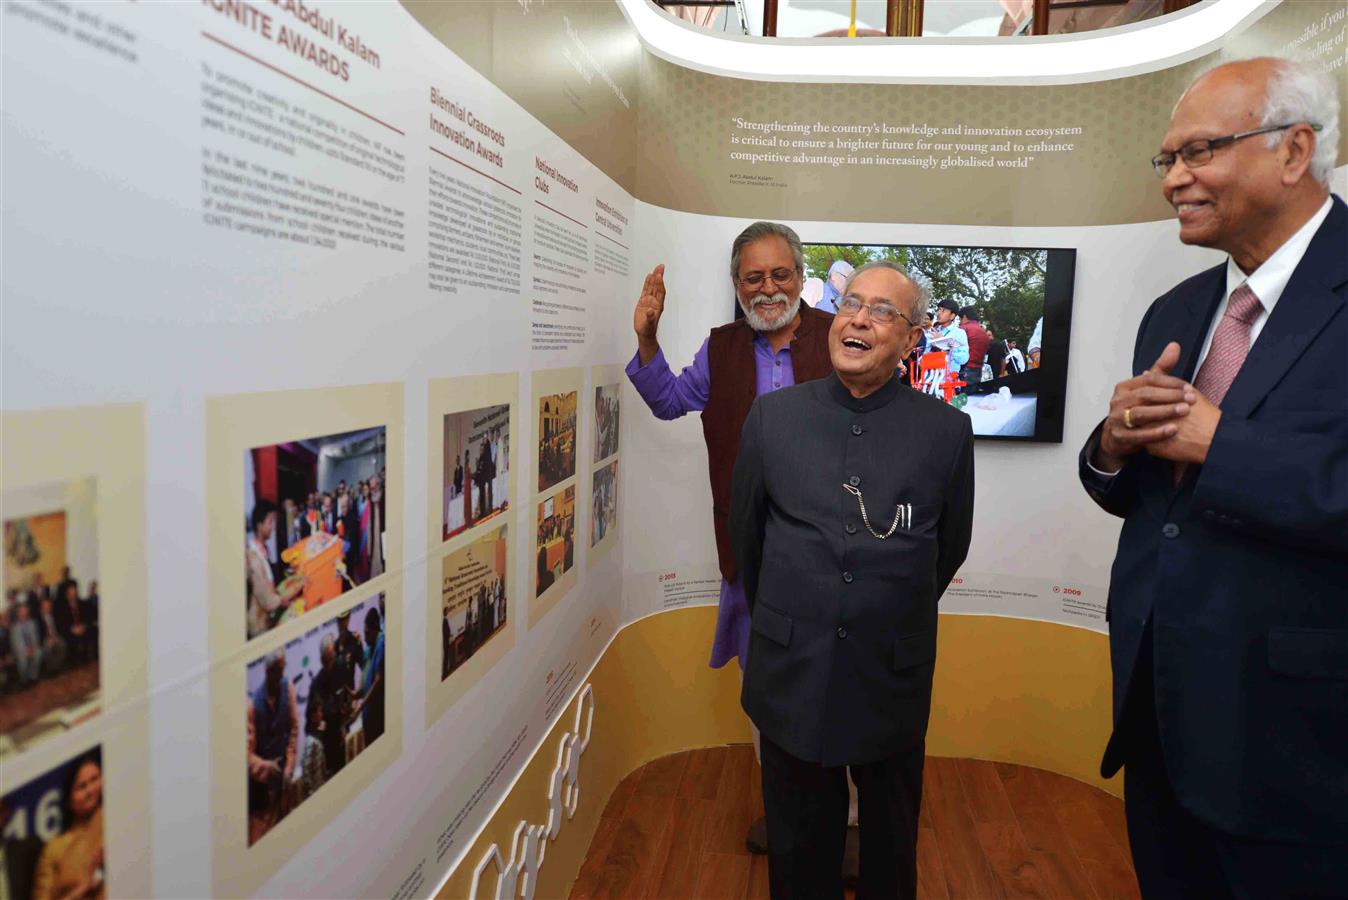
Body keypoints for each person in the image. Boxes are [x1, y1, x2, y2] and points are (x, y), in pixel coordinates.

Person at [1079, 57, 1346, 896]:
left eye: (1198, 151)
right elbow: (1150, 503)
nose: (1175, 179)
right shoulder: (1179, 310)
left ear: (1293, 151)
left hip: (1297, 751)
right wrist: (1115, 444)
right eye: (1166, 159)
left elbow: (1217, 453)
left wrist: (1217, 442)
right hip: (1160, 718)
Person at [732, 261, 974, 899]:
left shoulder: (947, 431)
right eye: (849, 303)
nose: (858, 318)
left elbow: (948, 548)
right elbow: (749, 542)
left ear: (913, 338)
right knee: (797, 853)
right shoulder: (772, 418)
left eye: (882, 311)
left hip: (890, 673)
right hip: (793, 673)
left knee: (890, 852)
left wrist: (878, 606)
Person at [627, 220, 841, 854]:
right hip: (751, 556)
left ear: (801, 278)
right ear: (736, 284)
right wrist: (646, 338)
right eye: (754, 276)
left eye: (780, 274)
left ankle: (846, 821)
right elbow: (668, 401)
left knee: (835, 684)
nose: (768, 287)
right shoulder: (720, 350)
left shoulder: (839, 339)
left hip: (833, 557)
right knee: (767, 688)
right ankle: (788, 814)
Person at [31, 753, 105, 900]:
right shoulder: (54, 849)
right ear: (69, 800)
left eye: (95, 779)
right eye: (81, 786)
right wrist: (82, 889)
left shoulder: (117, 818)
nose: (90, 790)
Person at [247, 650, 298, 845]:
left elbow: (293, 730)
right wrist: (268, 769)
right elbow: (248, 756)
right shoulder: (253, 706)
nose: (282, 675)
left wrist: (288, 767)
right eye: (279, 670)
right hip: (262, 799)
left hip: (283, 790)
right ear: (269, 671)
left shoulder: (289, 689)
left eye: (283, 669)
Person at [246, 501, 302, 639]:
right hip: (259, 628)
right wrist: (284, 600)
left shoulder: (264, 550)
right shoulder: (253, 558)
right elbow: (267, 600)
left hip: (267, 618)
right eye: (270, 522)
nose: (273, 527)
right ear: (259, 525)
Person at [309, 633, 351, 776]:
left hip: (341, 734)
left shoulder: (341, 666)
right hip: (325, 743)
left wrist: (347, 725)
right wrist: (322, 730)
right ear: (321, 660)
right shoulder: (316, 684)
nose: (329, 664)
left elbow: (348, 695)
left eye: (331, 658)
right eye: (326, 661)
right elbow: (310, 723)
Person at [355, 607, 385, 744]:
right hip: (368, 720)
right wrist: (355, 694)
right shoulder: (369, 649)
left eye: (367, 634)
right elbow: (367, 683)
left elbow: (379, 680)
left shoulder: (381, 643)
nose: (365, 638)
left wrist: (361, 705)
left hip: (377, 719)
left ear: (375, 630)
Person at [298, 696, 328, 800]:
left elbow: (322, 728)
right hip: (314, 792)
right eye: (319, 711)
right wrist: (311, 793)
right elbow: (306, 769)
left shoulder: (316, 736)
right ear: (313, 716)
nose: (322, 714)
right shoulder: (311, 741)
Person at [931, 299, 970, 377]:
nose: (939, 313)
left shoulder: (959, 333)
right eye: (938, 310)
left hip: (948, 381)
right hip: (929, 378)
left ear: (952, 316)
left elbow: (964, 359)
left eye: (944, 310)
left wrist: (944, 344)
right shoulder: (932, 332)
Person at [958, 305, 990, 387]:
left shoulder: (963, 329)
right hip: (978, 370)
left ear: (964, 317)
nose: (960, 322)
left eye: (960, 319)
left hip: (964, 369)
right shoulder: (983, 332)